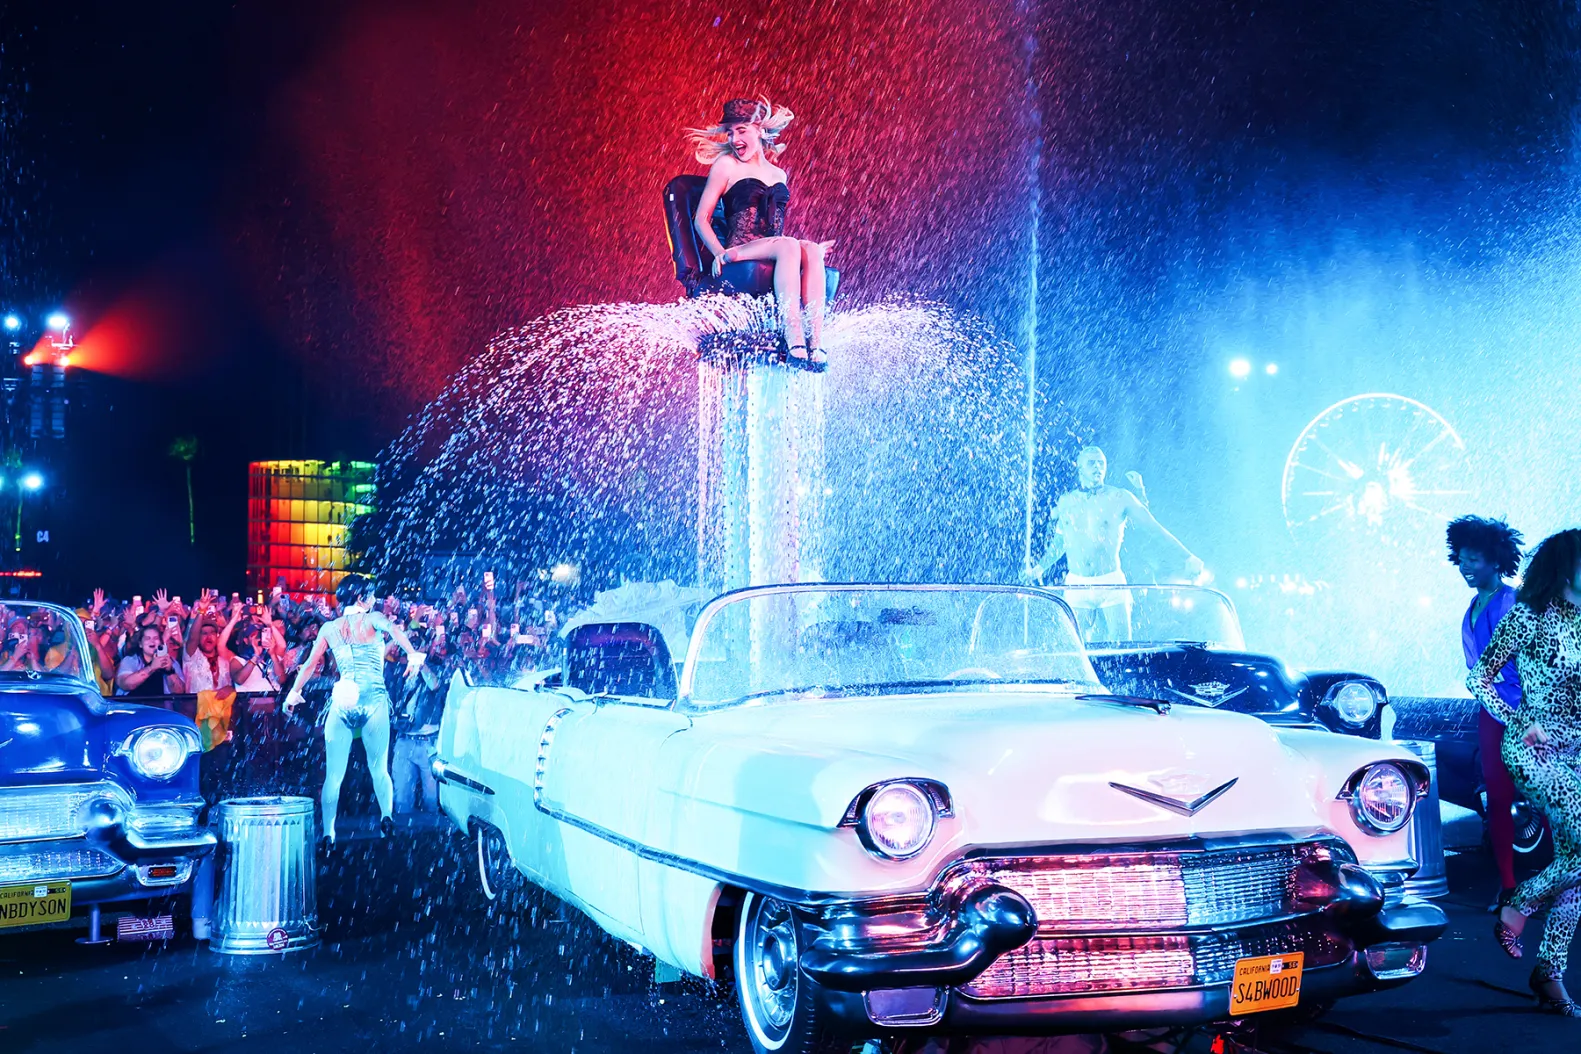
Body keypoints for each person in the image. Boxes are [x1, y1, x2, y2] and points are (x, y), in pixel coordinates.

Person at [1473, 529, 1581, 1016]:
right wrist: (1518, 719)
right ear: (1565, 568)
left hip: (1577, 750)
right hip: (1535, 750)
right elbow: (1480, 676)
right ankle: (1519, 904)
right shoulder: (1528, 615)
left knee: (1579, 867)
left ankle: (1549, 973)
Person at [688, 97, 836, 369]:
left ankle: (815, 344)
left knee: (812, 249)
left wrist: (805, 253)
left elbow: (774, 230)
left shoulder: (779, 174)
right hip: (738, 252)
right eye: (730, 132)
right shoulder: (727, 166)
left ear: (760, 129)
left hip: (770, 246)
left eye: (741, 130)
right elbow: (700, 219)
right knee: (789, 245)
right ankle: (794, 342)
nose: (734, 138)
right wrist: (719, 254)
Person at [285, 574, 425, 848]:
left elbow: (311, 664)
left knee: (334, 775)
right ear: (362, 598)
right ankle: (386, 818)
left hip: (344, 699)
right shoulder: (372, 619)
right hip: (373, 699)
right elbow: (396, 631)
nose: (374, 599)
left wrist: (294, 693)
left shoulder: (329, 628)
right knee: (379, 769)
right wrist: (412, 654)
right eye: (371, 595)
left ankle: (328, 833)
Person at [1023, 446, 1205, 641]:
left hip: (1111, 582)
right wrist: (1040, 567)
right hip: (1077, 583)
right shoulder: (1066, 502)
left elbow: (1154, 528)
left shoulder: (1119, 497)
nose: (1097, 467)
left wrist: (1187, 556)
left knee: (1120, 647)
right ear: (1080, 468)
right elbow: (1060, 542)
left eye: (1101, 463)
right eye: (1091, 463)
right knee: (1076, 648)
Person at [1447, 515, 1526, 909]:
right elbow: (1474, 668)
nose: (1466, 566)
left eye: (1474, 559)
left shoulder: (1512, 600)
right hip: (1490, 714)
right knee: (1497, 798)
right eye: (1461, 558)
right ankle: (1510, 886)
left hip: (1524, 712)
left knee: (1545, 799)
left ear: (1495, 560)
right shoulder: (1471, 608)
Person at [115, 623, 186, 697]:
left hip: (161, 707)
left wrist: (169, 671)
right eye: (147, 638)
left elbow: (180, 692)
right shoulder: (130, 660)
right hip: (134, 706)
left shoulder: (171, 662)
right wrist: (151, 668)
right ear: (140, 644)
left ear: (161, 642)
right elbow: (125, 685)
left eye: (155, 638)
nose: (152, 641)